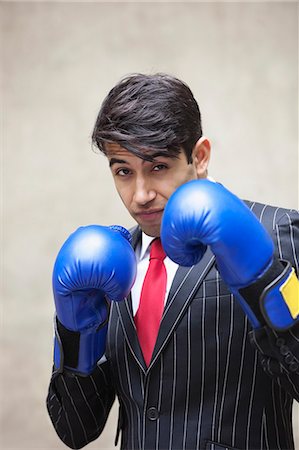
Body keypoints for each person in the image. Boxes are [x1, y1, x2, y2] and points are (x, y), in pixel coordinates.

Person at [46, 73, 299, 450]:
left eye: (158, 167)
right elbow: (75, 430)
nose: (141, 195)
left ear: (199, 156)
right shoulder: (108, 265)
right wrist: (74, 328)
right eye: (123, 171)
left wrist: (264, 280)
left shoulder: (275, 231)